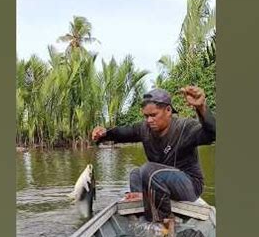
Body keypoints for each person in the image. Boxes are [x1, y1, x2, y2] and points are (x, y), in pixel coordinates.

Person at [92, 86, 216, 228]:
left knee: (148, 170)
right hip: (158, 181)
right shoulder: (145, 129)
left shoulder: (184, 128)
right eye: (146, 116)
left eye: (153, 115)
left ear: (168, 110)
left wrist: (202, 108)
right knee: (136, 174)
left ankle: (158, 224)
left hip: (189, 186)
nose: (149, 120)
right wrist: (104, 134)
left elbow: (212, 134)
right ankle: (144, 200)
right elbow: (124, 132)